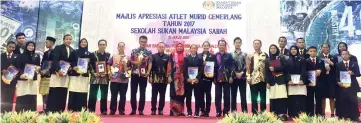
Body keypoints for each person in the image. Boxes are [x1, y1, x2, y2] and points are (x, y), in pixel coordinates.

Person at [47, 34, 75, 112]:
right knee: (54, 91)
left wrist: (71, 67)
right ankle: (51, 110)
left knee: (63, 91)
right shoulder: (58, 47)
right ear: (63, 40)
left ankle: (61, 110)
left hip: (65, 74)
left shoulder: (72, 50)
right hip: (57, 73)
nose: (68, 40)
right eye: (67, 39)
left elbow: (72, 61)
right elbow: (55, 59)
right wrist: (58, 69)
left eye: (70, 39)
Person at [129, 36, 152, 115]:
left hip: (143, 75)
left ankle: (141, 110)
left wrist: (148, 72)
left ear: (146, 42)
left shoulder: (149, 52)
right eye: (142, 41)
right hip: (134, 74)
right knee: (133, 92)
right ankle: (133, 109)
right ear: (139, 42)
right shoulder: (134, 51)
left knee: (142, 92)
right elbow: (130, 61)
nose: (143, 43)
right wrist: (136, 63)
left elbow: (150, 62)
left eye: (145, 42)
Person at [15, 41, 40, 112]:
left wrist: (38, 69)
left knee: (32, 95)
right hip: (23, 79)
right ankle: (20, 112)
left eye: (32, 46)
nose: (31, 47)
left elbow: (38, 66)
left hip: (33, 79)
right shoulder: (21, 56)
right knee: (22, 95)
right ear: (26, 46)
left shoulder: (37, 56)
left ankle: (32, 112)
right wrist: (21, 74)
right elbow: (17, 67)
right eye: (29, 45)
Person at [148, 42, 173, 115]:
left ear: (164, 48)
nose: (161, 48)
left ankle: (160, 109)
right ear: (157, 47)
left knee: (162, 95)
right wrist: (150, 77)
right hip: (155, 78)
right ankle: (153, 109)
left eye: (162, 47)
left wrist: (169, 76)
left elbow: (169, 68)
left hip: (164, 79)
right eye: (160, 47)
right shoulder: (153, 56)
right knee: (154, 95)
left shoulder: (168, 57)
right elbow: (150, 68)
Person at [335, 50, 360, 121]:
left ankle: (355, 116)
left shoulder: (354, 64)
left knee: (353, 101)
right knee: (343, 100)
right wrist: (338, 82)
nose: (344, 55)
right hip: (342, 86)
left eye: (346, 54)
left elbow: (358, 73)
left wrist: (353, 73)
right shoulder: (338, 65)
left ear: (349, 55)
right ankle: (343, 116)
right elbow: (336, 76)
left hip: (352, 86)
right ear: (341, 56)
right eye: (343, 54)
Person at [68, 38, 92, 112]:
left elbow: (92, 64)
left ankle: (82, 108)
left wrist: (88, 68)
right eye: (82, 42)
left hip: (84, 75)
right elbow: (70, 61)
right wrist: (73, 66)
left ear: (87, 44)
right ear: (79, 43)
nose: (83, 43)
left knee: (83, 91)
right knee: (73, 90)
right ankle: (71, 108)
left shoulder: (90, 54)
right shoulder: (74, 52)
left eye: (85, 42)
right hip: (75, 74)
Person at [265, 44, 288, 121]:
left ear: (277, 49)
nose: (272, 49)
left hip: (281, 81)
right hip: (272, 82)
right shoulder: (267, 60)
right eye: (271, 48)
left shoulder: (281, 58)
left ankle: (282, 114)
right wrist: (267, 82)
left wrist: (275, 68)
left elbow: (285, 68)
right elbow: (267, 72)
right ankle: (273, 115)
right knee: (273, 98)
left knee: (281, 98)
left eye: (274, 48)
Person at [88, 39, 111, 115]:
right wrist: (93, 73)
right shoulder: (92, 54)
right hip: (95, 77)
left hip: (104, 77)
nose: (102, 46)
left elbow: (109, 66)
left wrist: (107, 73)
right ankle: (91, 109)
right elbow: (89, 65)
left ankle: (103, 110)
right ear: (98, 45)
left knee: (104, 94)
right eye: (100, 44)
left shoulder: (108, 55)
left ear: (106, 46)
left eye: (103, 44)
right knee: (92, 94)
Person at [108, 42, 131, 115]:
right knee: (113, 95)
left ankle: (121, 110)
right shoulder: (114, 56)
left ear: (124, 47)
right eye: (119, 46)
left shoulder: (128, 57)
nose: (121, 48)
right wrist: (109, 72)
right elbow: (108, 64)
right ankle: (112, 110)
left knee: (123, 96)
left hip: (124, 80)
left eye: (122, 46)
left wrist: (125, 66)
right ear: (117, 47)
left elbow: (130, 68)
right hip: (114, 79)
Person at [246, 39, 268, 114]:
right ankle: (254, 113)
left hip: (262, 79)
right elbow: (248, 67)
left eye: (258, 44)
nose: (256, 45)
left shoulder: (265, 54)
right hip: (253, 79)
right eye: (255, 44)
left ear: (261, 45)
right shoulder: (250, 55)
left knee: (263, 98)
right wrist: (248, 77)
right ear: (253, 45)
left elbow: (267, 67)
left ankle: (263, 113)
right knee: (254, 98)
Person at [287, 46, 307, 118]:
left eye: (295, 49)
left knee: (301, 97)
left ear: (297, 50)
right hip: (291, 81)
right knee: (292, 98)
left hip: (300, 81)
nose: (293, 50)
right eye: (291, 49)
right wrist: (289, 80)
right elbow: (286, 71)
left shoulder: (302, 59)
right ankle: (292, 114)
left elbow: (303, 70)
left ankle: (302, 114)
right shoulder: (287, 60)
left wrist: (302, 79)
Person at [214, 40, 233, 117]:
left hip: (227, 78)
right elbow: (213, 68)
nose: (221, 46)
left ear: (225, 46)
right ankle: (218, 111)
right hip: (217, 78)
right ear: (218, 46)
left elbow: (232, 67)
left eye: (223, 45)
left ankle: (226, 111)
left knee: (227, 95)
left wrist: (231, 76)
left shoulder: (229, 55)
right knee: (218, 95)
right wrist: (213, 78)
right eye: (220, 45)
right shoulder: (215, 55)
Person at [183, 44, 202, 117]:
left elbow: (201, 69)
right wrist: (187, 78)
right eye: (192, 48)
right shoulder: (186, 58)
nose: (193, 50)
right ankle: (189, 111)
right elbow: (184, 69)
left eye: (195, 48)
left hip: (197, 81)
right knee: (188, 96)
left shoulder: (200, 58)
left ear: (197, 49)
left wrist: (198, 78)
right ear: (190, 49)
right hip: (188, 81)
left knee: (197, 96)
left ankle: (197, 112)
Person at [305, 46, 325, 116]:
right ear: (308, 52)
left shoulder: (321, 61)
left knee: (319, 99)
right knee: (309, 99)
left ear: (316, 52)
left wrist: (321, 70)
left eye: (314, 51)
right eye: (311, 51)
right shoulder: (306, 61)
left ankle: (319, 113)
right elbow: (304, 71)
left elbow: (324, 72)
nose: (312, 52)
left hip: (319, 83)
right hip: (309, 83)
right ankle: (310, 114)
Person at [318, 43, 337, 117]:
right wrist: (323, 69)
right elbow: (317, 67)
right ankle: (323, 113)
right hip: (322, 80)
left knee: (332, 97)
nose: (325, 48)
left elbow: (338, 68)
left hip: (331, 80)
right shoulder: (319, 57)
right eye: (324, 47)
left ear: (329, 48)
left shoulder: (333, 57)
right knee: (323, 97)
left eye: (327, 47)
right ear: (321, 48)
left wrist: (332, 64)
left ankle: (332, 113)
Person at [198, 41, 216, 117]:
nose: (205, 47)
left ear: (209, 47)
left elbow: (214, 67)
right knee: (200, 95)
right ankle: (202, 110)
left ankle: (207, 111)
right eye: (204, 45)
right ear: (202, 46)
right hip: (200, 78)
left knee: (208, 95)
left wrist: (207, 63)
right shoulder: (198, 55)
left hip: (209, 78)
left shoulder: (212, 56)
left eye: (207, 46)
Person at [169, 42, 187, 116]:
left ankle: (180, 111)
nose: (179, 47)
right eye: (178, 46)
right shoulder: (172, 54)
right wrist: (169, 76)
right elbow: (169, 65)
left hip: (183, 77)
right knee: (174, 93)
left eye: (181, 46)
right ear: (176, 47)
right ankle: (173, 111)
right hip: (174, 76)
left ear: (183, 47)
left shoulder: (186, 55)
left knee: (182, 94)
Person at [230, 37, 247, 113]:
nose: (237, 44)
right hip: (234, 77)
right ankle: (234, 110)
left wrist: (242, 73)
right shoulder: (230, 54)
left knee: (243, 95)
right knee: (233, 95)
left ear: (241, 43)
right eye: (236, 42)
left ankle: (244, 110)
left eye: (239, 42)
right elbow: (230, 65)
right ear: (234, 43)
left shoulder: (245, 54)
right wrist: (235, 73)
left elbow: (247, 65)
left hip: (243, 77)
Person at [39, 36, 56, 112]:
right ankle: (44, 108)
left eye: (47, 42)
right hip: (44, 75)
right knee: (43, 92)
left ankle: (49, 109)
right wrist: (40, 70)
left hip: (51, 76)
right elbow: (43, 63)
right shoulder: (45, 53)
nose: (45, 43)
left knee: (49, 93)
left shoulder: (56, 52)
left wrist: (49, 70)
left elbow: (55, 63)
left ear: (52, 43)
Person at [1, 41, 18, 113]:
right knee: (2, 96)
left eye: (13, 47)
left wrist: (15, 74)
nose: (11, 48)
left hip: (12, 80)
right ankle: (2, 112)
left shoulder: (17, 56)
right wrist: (2, 70)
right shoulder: (1, 55)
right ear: (7, 46)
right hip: (2, 79)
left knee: (10, 96)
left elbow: (18, 67)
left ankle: (9, 112)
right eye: (10, 47)